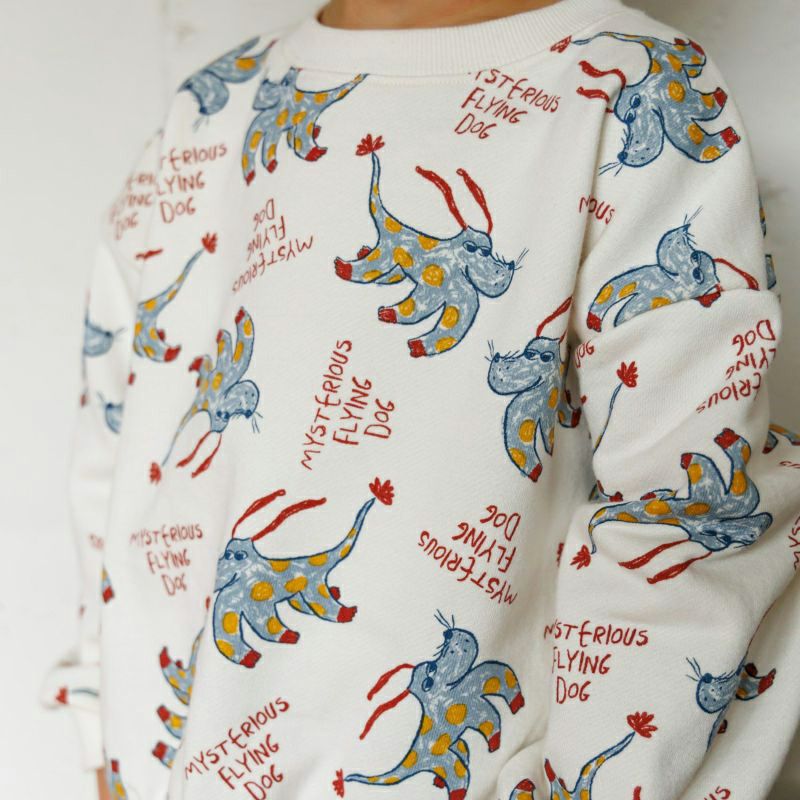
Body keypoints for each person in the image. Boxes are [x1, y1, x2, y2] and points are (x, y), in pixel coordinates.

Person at [42, 1, 800, 798]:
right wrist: (106, 738)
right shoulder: (213, 105)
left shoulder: (626, 84)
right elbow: (117, 446)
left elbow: (690, 517)